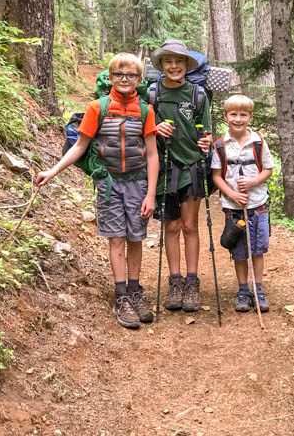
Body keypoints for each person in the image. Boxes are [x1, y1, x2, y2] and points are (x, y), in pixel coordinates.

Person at [36, 53, 159, 330]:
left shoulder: (145, 111)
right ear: (110, 77)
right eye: (119, 75)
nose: (124, 79)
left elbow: (152, 154)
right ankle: (121, 296)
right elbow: (79, 146)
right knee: (116, 238)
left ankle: (135, 291)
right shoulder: (97, 108)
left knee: (136, 238)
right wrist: (52, 171)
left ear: (139, 79)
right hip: (109, 184)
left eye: (131, 75)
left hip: (138, 183)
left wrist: (151, 194)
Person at [150, 39, 212, 312]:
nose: (174, 66)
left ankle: (192, 281)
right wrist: (154, 128)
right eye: (168, 61)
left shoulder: (198, 95)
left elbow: (206, 132)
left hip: (192, 166)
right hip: (164, 168)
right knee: (171, 226)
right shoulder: (152, 93)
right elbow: (143, 128)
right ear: (161, 65)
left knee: (189, 226)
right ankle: (175, 282)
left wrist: (206, 141)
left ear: (187, 64)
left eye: (179, 61)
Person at [211, 94, 274, 312]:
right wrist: (233, 194)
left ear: (250, 117)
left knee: (257, 248)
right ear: (226, 116)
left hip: (258, 204)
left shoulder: (259, 142)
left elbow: (268, 169)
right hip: (233, 208)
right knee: (239, 250)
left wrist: (253, 182)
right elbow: (216, 176)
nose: (238, 119)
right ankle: (243, 289)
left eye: (243, 115)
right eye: (234, 114)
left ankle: (258, 288)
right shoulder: (220, 145)